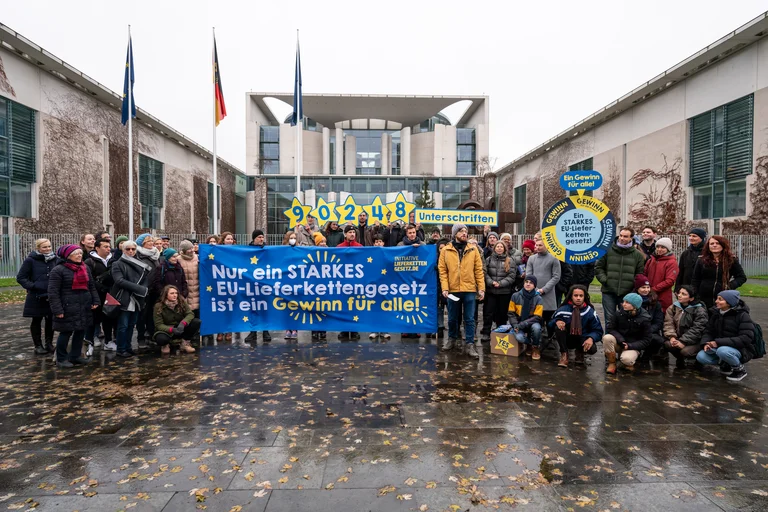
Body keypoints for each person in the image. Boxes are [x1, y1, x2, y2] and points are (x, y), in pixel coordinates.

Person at [48, 245, 100, 368]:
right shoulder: (58, 270)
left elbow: (91, 286)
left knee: (80, 331)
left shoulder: (84, 267)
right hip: (67, 307)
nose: (79, 255)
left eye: (80, 253)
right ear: (67, 256)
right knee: (65, 332)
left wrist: (95, 300)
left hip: (83, 305)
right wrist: (57, 309)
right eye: (76, 253)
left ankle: (75, 356)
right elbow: (53, 292)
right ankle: (61, 358)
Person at [438, 223, 485, 358]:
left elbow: (478, 270)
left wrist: (481, 288)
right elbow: (443, 271)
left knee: (470, 318)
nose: (464, 233)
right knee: (452, 318)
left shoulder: (473, 249)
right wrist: (445, 288)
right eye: (461, 231)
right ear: (455, 234)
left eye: (465, 231)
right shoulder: (446, 250)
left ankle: (470, 343)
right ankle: (451, 339)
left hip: (469, 289)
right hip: (453, 289)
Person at [696, 290, 755, 382]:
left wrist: (717, 342)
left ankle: (739, 370)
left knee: (723, 351)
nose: (716, 301)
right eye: (717, 298)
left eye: (720, 299)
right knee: (701, 356)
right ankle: (725, 364)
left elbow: (746, 338)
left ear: (729, 302)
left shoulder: (743, 316)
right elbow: (708, 331)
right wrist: (706, 343)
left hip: (741, 349)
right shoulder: (716, 314)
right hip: (720, 346)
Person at [595, 227, 646, 329]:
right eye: (621, 235)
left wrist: (632, 286)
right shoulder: (607, 251)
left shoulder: (638, 256)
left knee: (625, 319)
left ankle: (622, 339)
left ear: (631, 238)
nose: (622, 238)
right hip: (608, 291)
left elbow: (639, 275)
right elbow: (598, 268)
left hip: (627, 292)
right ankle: (608, 338)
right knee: (609, 319)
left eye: (625, 236)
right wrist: (605, 280)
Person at [110, 240, 153, 358]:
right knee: (123, 326)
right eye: (128, 249)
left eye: (133, 249)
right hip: (125, 298)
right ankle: (121, 349)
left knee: (131, 325)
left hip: (137, 299)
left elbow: (145, 279)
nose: (131, 251)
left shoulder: (140, 264)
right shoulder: (117, 264)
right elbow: (119, 280)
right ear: (123, 250)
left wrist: (143, 289)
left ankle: (128, 347)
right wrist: (139, 289)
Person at [17, 238, 57, 355]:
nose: (47, 249)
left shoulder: (55, 259)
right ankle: (38, 345)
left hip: (51, 295)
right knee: (36, 320)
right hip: (36, 295)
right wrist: (33, 286)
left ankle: (49, 344)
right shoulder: (30, 260)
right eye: (44, 247)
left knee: (50, 320)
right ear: (38, 248)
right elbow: (21, 277)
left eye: (49, 246)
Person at [549, 284, 603, 367]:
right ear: (571, 296)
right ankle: (564, 354)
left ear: (584, 297)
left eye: (581, 296)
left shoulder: (590, 312)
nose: (578, 298)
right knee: (559, 329)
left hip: (583, 338)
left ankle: (580, 352)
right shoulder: (563, 309)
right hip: (568, 338)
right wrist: (557, 321)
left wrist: (591, 338)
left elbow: (598, 330)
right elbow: (550, 324)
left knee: (592, 349)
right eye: (575, 295)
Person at [692, 235, 747, 309]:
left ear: (723, 245)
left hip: (723, 298)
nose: (714, 245)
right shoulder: (701, 260)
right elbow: (695, 279)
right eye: (711, 243)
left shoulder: (731, 260)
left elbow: (741, 277)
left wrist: (729, 286)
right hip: (703, 298)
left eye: (717, 243)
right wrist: (695, 294)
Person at [603, 292, 652, 374]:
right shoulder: (619, 313)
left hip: (633, 346)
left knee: (627, 360)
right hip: (619, 342)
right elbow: (610, 328)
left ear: (635, 306)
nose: (623, 304)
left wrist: (630, 346)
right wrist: (621, 340)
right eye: (624, 301)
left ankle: (627, 362)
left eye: (627, 302)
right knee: (607, 338)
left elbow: (647, 340)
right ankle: (612, 363)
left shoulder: (645, 318)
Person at [663, 285, 709, 368]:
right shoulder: (673, 307)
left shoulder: (699, 310)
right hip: (679, 337)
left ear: (691, 298)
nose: (679, 295)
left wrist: (683, 341)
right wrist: (672, 337)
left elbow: (697, 329)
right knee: (668, 344)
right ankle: (680, 359)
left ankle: (696, 360)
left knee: (685, 351)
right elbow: (668, 323)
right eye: (679, 293)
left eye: (683, 294)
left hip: (695, 341)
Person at [84, 237, 114, 355]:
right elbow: (88, 279)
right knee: (93, 320)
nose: (108, 249)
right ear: (97, 248)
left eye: (109, 247)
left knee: (108, 318)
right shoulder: (89, 262)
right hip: (95, 295)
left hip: (110, 294)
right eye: (105, 247)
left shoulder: (113, 260)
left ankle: (108, 341)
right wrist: (99, 286)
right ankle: (89, 342)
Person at [481, 241, 515, 342]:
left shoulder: (510, 260)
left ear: (504, 249)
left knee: (502, 314)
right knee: (488, 313)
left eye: (501, 247)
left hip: (504, 292)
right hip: (491, 292)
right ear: (494, 248)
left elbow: (512, 276)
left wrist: (500, 283)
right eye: (497, 246)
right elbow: (485, 273)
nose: (499, 248)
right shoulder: (488, 259)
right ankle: (486, 333)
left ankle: (501, 333)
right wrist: (491, 282)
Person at [153, 285, 199, 355]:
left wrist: (183, 323)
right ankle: (165, 345)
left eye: (176, 293)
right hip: (167, 330)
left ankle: (185, 343)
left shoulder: (181, 302)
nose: (175, 295)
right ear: (166, 295)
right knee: (161, 339)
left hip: (180, 327)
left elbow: (190, 314)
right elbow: (158, 325)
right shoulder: (158, 306)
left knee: (196, 322)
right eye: (172, 293)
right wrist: (171, 329)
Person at [134, 234, 161, 348]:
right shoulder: (138, 255)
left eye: (151, 241)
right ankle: (141, 338)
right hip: (143, 289)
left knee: (152, 314)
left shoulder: (155, 254)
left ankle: (151, 334)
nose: (151, 243)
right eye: (148, 241)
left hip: (154, 290)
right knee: (142, 315)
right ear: (142, 243)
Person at [244, 230, 271, 344]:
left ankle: (265, 331)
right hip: (251, 283)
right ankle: (253, 331)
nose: (261, 239)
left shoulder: (267, 250)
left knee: (264, 308)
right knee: (253, 308)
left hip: (264, 283)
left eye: (262, 237)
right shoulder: (247, 250)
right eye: (259, 237)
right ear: (254, 238)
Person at [525, 239, 561, 325]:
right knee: (535, 321)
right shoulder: (531, 258)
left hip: (549, 294)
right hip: (534, 293)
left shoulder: (554, 258)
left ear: (546, 246)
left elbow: (556, 276)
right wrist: (535, 289)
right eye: (536, 245)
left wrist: (543, 289)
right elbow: (528, 275)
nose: (537, 247)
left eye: (540, 245)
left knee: (549, 321)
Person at [509, 276, 544, 359]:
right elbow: (511, 313)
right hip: (518, 323)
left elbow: (538, 316)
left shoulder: (538, 298)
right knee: (519, 337)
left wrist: (524, 324)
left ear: (534, 286)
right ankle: (529, 344)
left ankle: (535, 347)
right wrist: (515, 325)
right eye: (526, 282)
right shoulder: (515, 296)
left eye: (531, 283)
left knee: (536, 328)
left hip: (532, 323)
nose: (528, 284)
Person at [338, 225, 362, 340]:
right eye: (350, 232)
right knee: (343, 306)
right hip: (343, 282)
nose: (352, 234)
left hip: (355, 282)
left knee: (354, 306)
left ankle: (354, 330)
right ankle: (344, 329)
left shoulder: (360, 247)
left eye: (353, 232)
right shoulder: (339, 247)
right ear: (345, 234)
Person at [634, 274, 664, 360]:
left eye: (648, 287)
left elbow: (658, 322)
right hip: (634, 331)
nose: (646, 290)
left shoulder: (655, 302)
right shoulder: (631, 301)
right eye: (643, 287)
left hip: (650, 331)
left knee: (658, 340)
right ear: (637, 288)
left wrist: (648, 330)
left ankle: (647, 356)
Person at [644, 237, 678, 312]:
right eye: (658, 247)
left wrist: (654, 289)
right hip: (648, 293)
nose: (659, 249)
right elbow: (644, 275)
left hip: (663, 296)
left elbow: (670, 281)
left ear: (668, 249)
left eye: (663, 247)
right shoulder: (651, 260)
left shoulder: (671, 262)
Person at [368, 235, 392, 341]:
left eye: (380, 241)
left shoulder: (388, 253)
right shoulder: (369, 255)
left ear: (383, 243)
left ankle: (384, 331)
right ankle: (374, 330)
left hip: (385, 286)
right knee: (374, 308)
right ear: (373, 244)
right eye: (376, 241)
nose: (378, 243)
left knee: (385, 308)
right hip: (373, 287)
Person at [177, 239, 200, 319]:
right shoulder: (178, 260)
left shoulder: (198, 258)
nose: (192, 250)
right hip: (186, 291)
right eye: (189, 249)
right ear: (183, 250)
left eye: (192, 248)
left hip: (197, 290)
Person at [283, 232, 299, 340]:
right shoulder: (282, 251)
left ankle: (295, 329)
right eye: (291, 238)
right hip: (286, 282)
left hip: (296, 282)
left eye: (294, 238)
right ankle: (287, 329)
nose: (293, 240)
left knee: (295, 306)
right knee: (286, 307)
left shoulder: (299, 250)